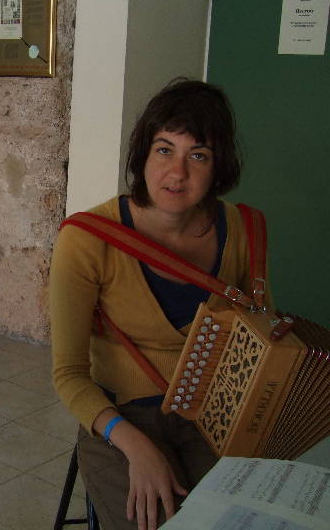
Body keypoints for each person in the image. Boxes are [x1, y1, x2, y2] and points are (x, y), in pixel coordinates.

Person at [49, 79, 272, 530]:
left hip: (214, 415)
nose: (177, 172)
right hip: (121, 418)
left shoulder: (244, 229)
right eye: (164, 149)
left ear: (218, 166)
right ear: (143, 155)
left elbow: (259, 341)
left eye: (198, 155)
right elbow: (68, 375)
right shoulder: (87, 239)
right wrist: (136, 446)